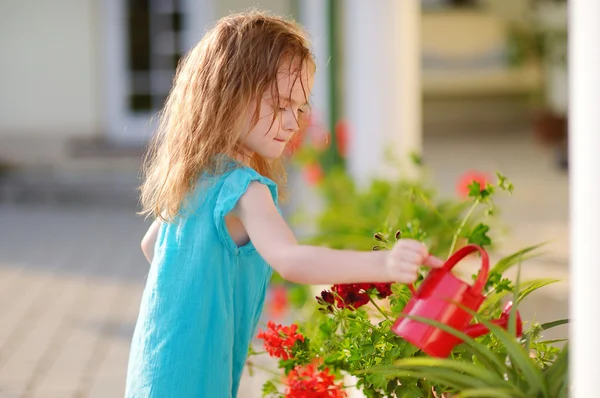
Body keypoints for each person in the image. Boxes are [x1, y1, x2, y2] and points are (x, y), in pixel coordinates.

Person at [125, 10, 444, 398]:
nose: (293, 123)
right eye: (280, 106)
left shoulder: (195, 175)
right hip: (194, 375)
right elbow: (291, 260)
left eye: (300, 108)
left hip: (153, 362)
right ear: (228, 95)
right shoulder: (244, 188)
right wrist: (384, 263)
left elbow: (150, 246)